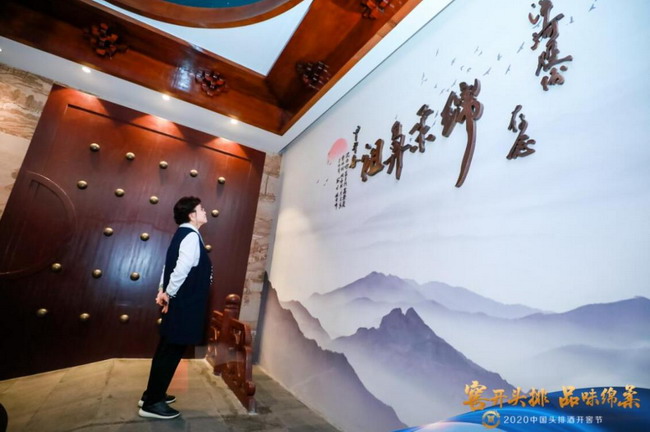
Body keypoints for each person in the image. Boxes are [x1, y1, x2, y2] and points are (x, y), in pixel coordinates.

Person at [138, 196, 213, 419]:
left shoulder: (183, 234)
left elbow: (167, 267)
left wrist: (163, 290)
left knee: (166, 349)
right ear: (192, 215)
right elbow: (180, 269)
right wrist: (168, 294)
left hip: (180, 302)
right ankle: (152, 403)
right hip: (185, 304)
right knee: (171, 352)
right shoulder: (191, 236)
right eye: (201, 209)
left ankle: (152, 394)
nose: (205, 211)